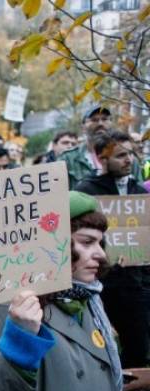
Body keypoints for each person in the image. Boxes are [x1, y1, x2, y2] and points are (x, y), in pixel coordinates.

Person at [0, 192, 128, 391]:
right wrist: (21, 340)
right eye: (87, 242)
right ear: (53, 243)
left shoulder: (87, 297)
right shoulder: (6, 303)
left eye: (100, 243)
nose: (100, 254)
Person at [74, 130, 150, 368]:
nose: (129, 160)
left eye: (130, 154)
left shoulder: (139, 192)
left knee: (138, 347)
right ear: (101, 158)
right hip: (101, 284)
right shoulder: (86, 191)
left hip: (135, 284)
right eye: (120, 155)